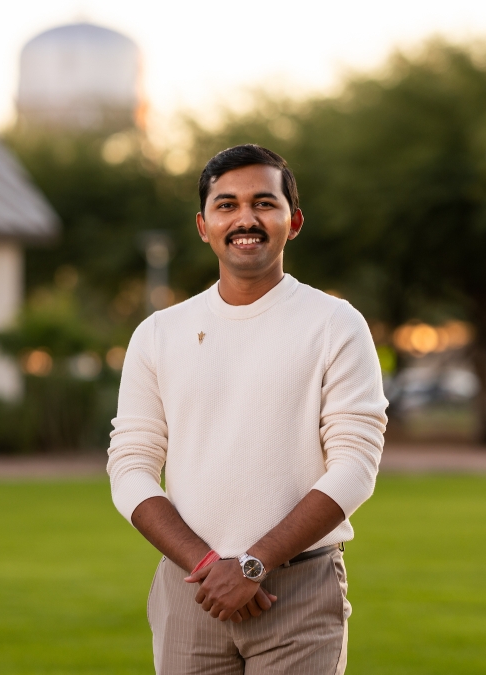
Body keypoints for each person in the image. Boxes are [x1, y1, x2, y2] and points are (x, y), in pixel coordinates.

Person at [107, 144, 388, 674]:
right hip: (192, 589)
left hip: (299, 591)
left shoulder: (335, 324)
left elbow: (355, 467)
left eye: (264, 202)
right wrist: (209, 565)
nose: (246, 219)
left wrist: (256, 564)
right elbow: (130, 468)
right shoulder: (158, 334)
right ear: (203, 224)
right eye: (227, 204)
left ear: (293, 220)